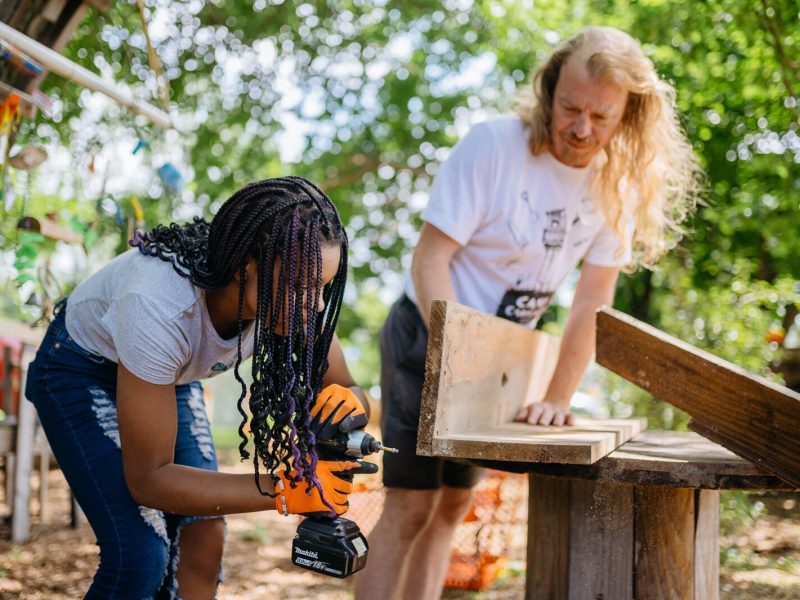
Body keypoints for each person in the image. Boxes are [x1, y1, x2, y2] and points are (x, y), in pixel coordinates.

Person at [355, 26, 703, 600]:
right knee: (413, 506)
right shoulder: (492, 146)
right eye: (570, 107)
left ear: (630, 115)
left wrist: (558, 397)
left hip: (500, 357)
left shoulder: (615, 184)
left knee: (452, 508)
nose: (581, 128)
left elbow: (594, 302)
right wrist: (456, 352)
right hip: (427, 336)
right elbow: (429, 259)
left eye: (602, 116)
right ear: (549, 90)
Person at [25, 176, 370, 599]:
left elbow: (347, 384)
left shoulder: (296, 305)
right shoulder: (159, 303)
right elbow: (150, 480)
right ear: (246, 267)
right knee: (140, 555)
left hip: (169, 374)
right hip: (81, 368)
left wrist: (350, 402)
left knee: (204, 538)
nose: (316, 304)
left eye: (323, 286)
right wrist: (283, 489)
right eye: (303, 286)